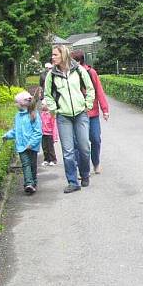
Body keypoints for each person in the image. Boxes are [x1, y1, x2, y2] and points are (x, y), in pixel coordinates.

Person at [43, 44, 95, 194]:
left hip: (80, 113)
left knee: (84, 147)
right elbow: (48, 95)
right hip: (63, 116)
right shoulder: (51, 75)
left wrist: (88, 104)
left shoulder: (79, 70)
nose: (52, 58)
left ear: (63, 55)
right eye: (52, 55)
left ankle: (85, 174)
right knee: (68, 151)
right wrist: (54, 110)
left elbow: (90, 88)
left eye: (55, 55)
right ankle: (72, 182)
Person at [71, 50, 110, 174]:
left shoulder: (90, 72)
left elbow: (99, 90)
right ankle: (81, 168)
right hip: (77, 113)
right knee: (79, 143)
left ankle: (96, 162)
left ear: (79, 61)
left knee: (95, 139)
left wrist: (105, 109)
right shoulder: (70, 73)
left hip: (92, 113)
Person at [3, 90, 42, 194]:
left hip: (32, 146)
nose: (15, 104)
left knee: (32, 165)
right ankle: (28, 183)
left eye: (16, 102)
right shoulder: (17, 116)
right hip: (21, 146)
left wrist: (32, 143)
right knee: (25, 164)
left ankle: (33, 182)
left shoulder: (33, 115)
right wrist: (7, 135)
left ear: (22, 103)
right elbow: (16, 130)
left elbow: (38, 132)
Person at [40, 99, 58, 166]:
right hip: (43, 133)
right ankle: (46, 159)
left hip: (50, 134)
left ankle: (53, 159)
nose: (41, 106)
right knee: (44, 147)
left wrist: (55, 136)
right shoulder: (42, 114)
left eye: (43, 104)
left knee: (50, 148)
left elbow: (54, 126)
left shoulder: (51, 114)